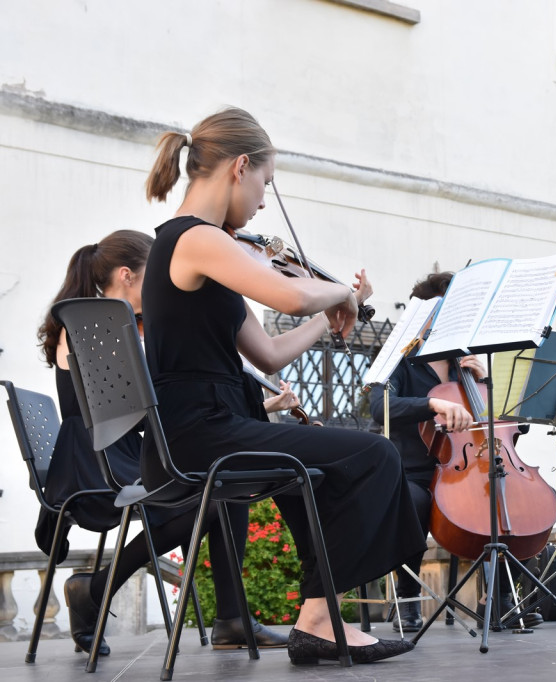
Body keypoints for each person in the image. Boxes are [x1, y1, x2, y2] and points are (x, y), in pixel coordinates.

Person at [141, 106, 425, 665]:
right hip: (199, 432)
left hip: (211, 425)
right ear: (240, 167)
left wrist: (336, 314)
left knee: (324, 471)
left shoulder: (208, 247)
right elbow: (288, 296)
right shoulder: (194, 238)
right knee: (373, 454)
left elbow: (268, 351)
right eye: (265, 183)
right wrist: (339, 290)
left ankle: (318, 618)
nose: (265, 200)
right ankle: (319, 619)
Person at [37, 230, 290, 655]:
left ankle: (230, 618)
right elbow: (137, 405)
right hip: (98, 456)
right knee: (212, 492)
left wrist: (256, 403)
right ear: (126, 275)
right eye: (153, 277)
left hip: (125, 446)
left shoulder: (119, 327)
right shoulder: (90, 323)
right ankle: (96, 588)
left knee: (226, 486)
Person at [369, 272, 542, 632]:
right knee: (415, 502)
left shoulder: (463, 361)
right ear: (429, 314)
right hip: (415, 470)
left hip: (467, 467)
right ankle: (408, 598)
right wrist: (431, 403)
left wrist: (484, 385)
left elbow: (495, 428)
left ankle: (496, 600)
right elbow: (378, 407)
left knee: (501, 492)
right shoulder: (399, 359)